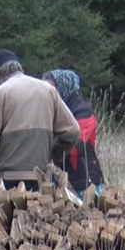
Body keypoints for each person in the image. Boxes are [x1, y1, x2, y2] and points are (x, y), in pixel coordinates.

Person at [0, 49, 79, 200]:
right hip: (41, 178)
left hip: (6, 180)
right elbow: (73, 131)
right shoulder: (48, 90)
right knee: (37, 222)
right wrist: (53, 153)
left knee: (4, 223)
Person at [42, 69, 105, 197]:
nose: (47, 93)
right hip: (60, 180)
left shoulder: (84, 113)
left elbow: (75, 146)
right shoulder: (50, 111)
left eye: (51, 89)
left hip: (85, 181)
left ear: (63, 88)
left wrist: (46, 147)